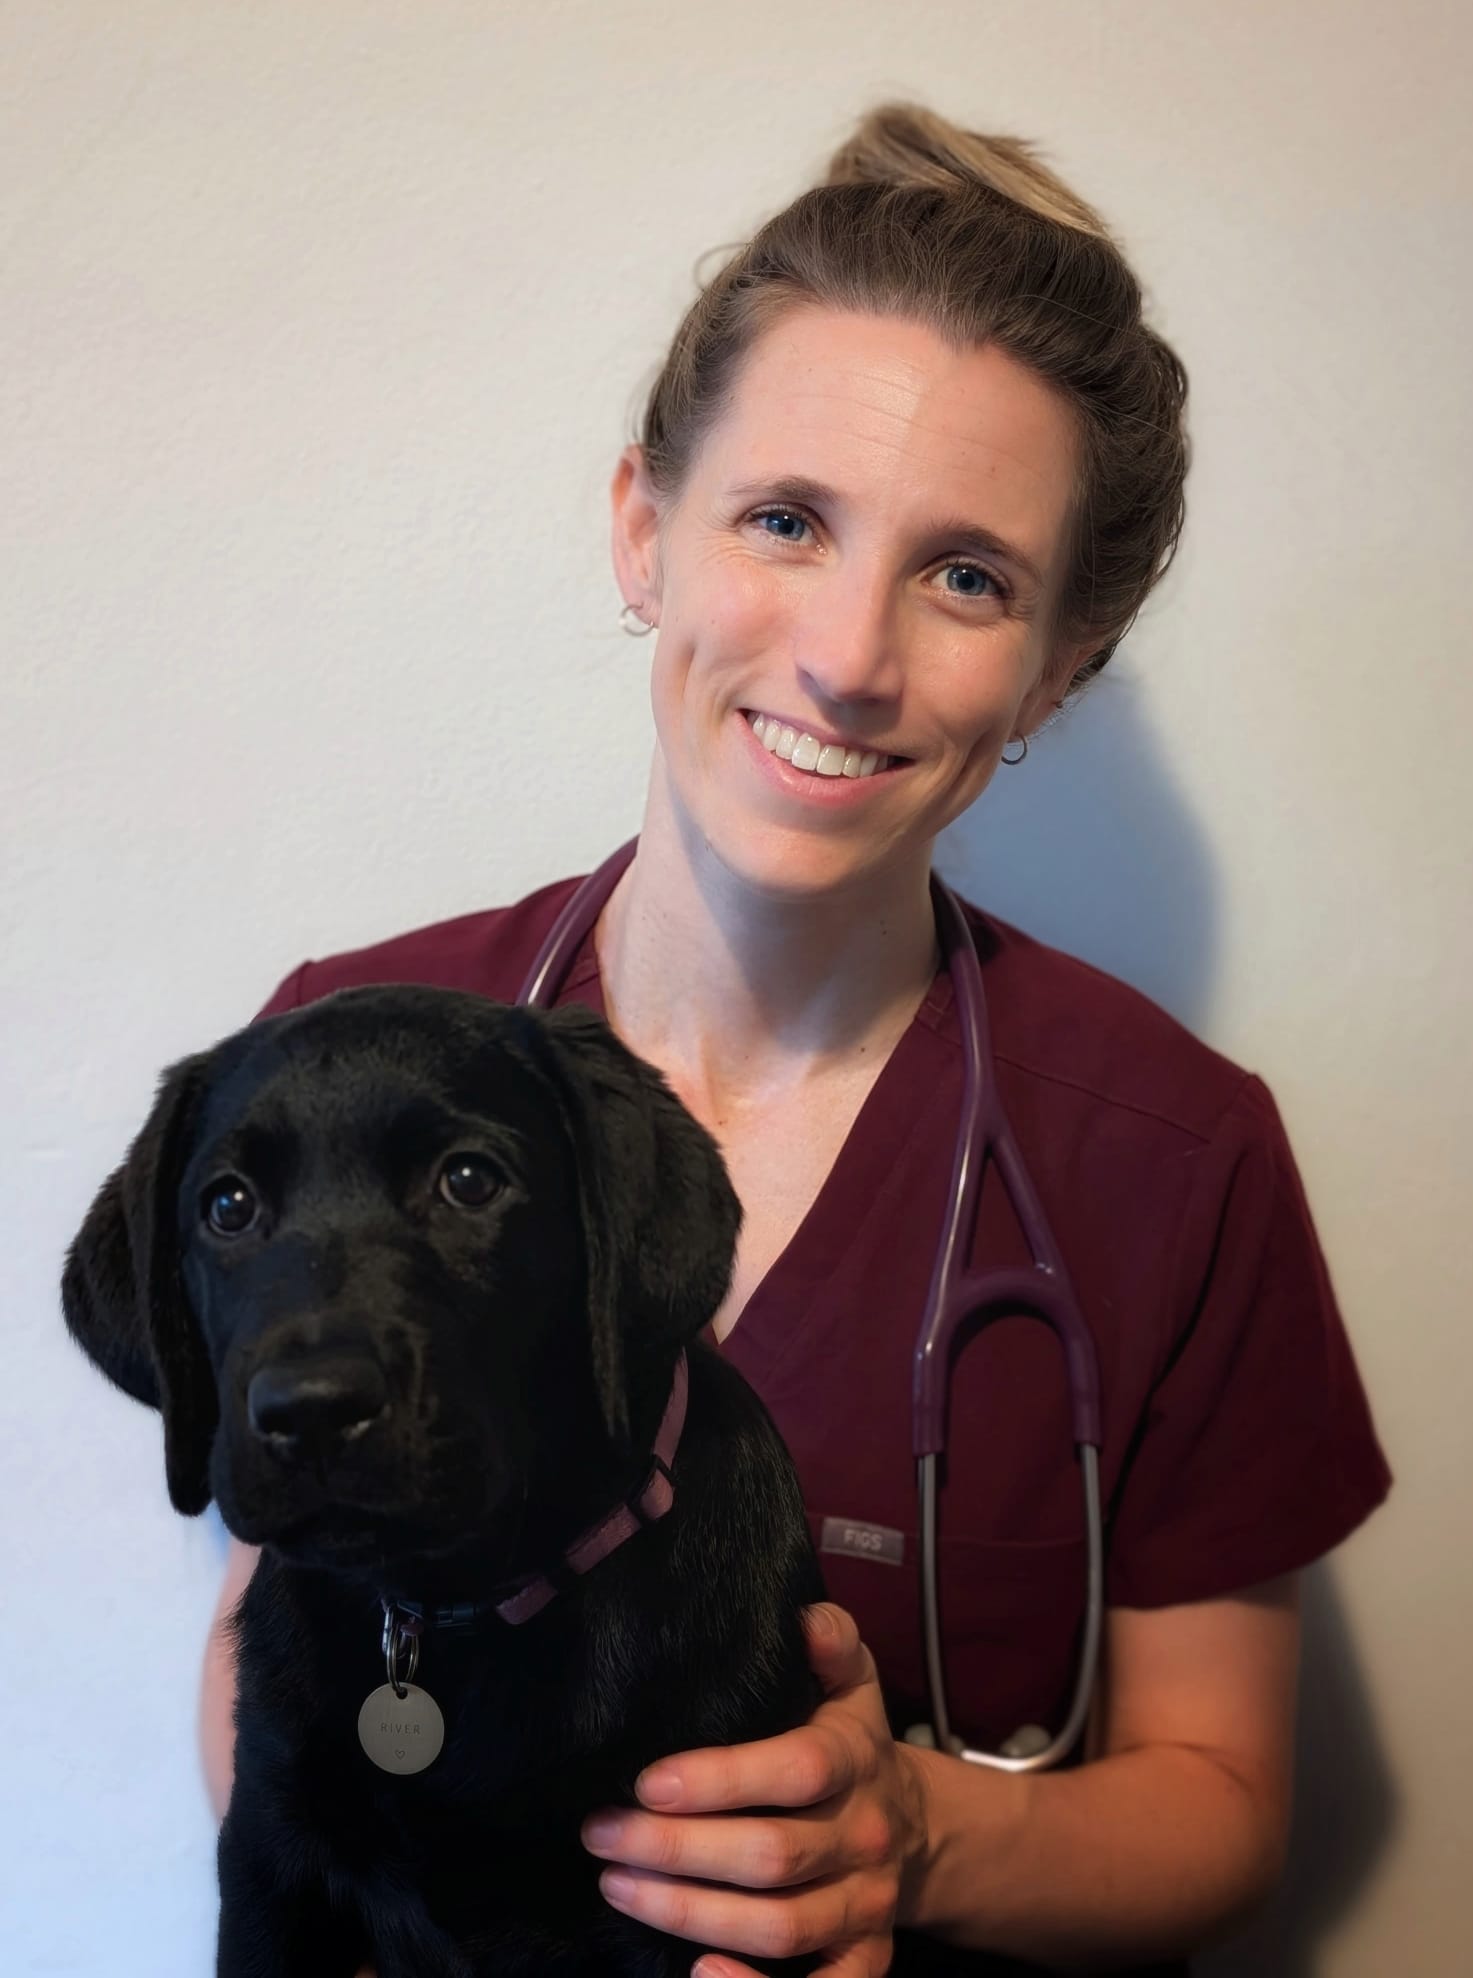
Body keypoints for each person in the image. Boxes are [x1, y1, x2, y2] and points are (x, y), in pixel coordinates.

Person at [199, 103, 1390, 1975]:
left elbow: (1224, 1804)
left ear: (1059, 664)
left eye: (967, 575)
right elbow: (266, 1647)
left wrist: (918, 1833)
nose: (848, 655)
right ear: (642, 530)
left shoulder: (1173, 1160)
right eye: (784, 520)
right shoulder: (335, 1061)